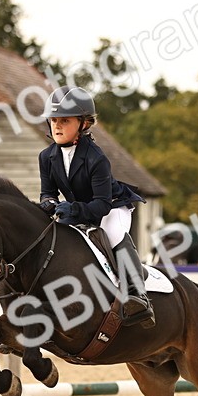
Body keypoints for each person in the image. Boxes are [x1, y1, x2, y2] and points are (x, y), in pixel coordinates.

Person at [37, 86, 155, 327]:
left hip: (111, 207)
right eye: (54, 120)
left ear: (84, 123)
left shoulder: (96, 157)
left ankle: (138, 295)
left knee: (113, 235)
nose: (57, 126)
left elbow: (101, 205)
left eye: (65, 120)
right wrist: (49, 204)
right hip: (77, 209)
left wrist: (72, 209)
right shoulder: (46, 157)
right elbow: (47, 192)